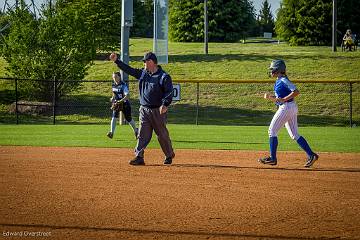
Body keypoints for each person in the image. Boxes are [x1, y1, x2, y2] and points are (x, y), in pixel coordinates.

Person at [109, 51, 175, 166]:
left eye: (145, 61)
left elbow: (169, 92)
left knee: (162, 135)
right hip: (144, 110)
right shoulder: (143, 73)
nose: (144, 63)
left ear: (151, 62)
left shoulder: (163, 77)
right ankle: (139, 156)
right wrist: (117, 61)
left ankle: (169, 154)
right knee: (142, 134)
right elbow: (129, 70)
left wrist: (165, 104)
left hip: (158, 111)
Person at [259, 59, 319, 168]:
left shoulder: (283, 80)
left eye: (273, 69)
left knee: (272, 131)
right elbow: (280, 100)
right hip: (290, 107)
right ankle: (311, 155)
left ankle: (273, 158)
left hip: (286, 108)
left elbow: (296, 91)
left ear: (279, 70)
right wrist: (271, 98)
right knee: (295, 135)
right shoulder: (279, 80)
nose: (271, 71)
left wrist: (284, 99)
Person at [107, 71, 138, 139]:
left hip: (125, 104)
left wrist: (120, 101)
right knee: (114, 117)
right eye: (113, 77)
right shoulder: (113, 84)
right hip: (117, 103)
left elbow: (127, 96)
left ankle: (136, 131)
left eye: (116, 77)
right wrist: (112, 98)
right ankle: (111, 133)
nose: (114, 78)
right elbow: (114, 93)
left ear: (119, 77)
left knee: (128, 119)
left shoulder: (123, 85)